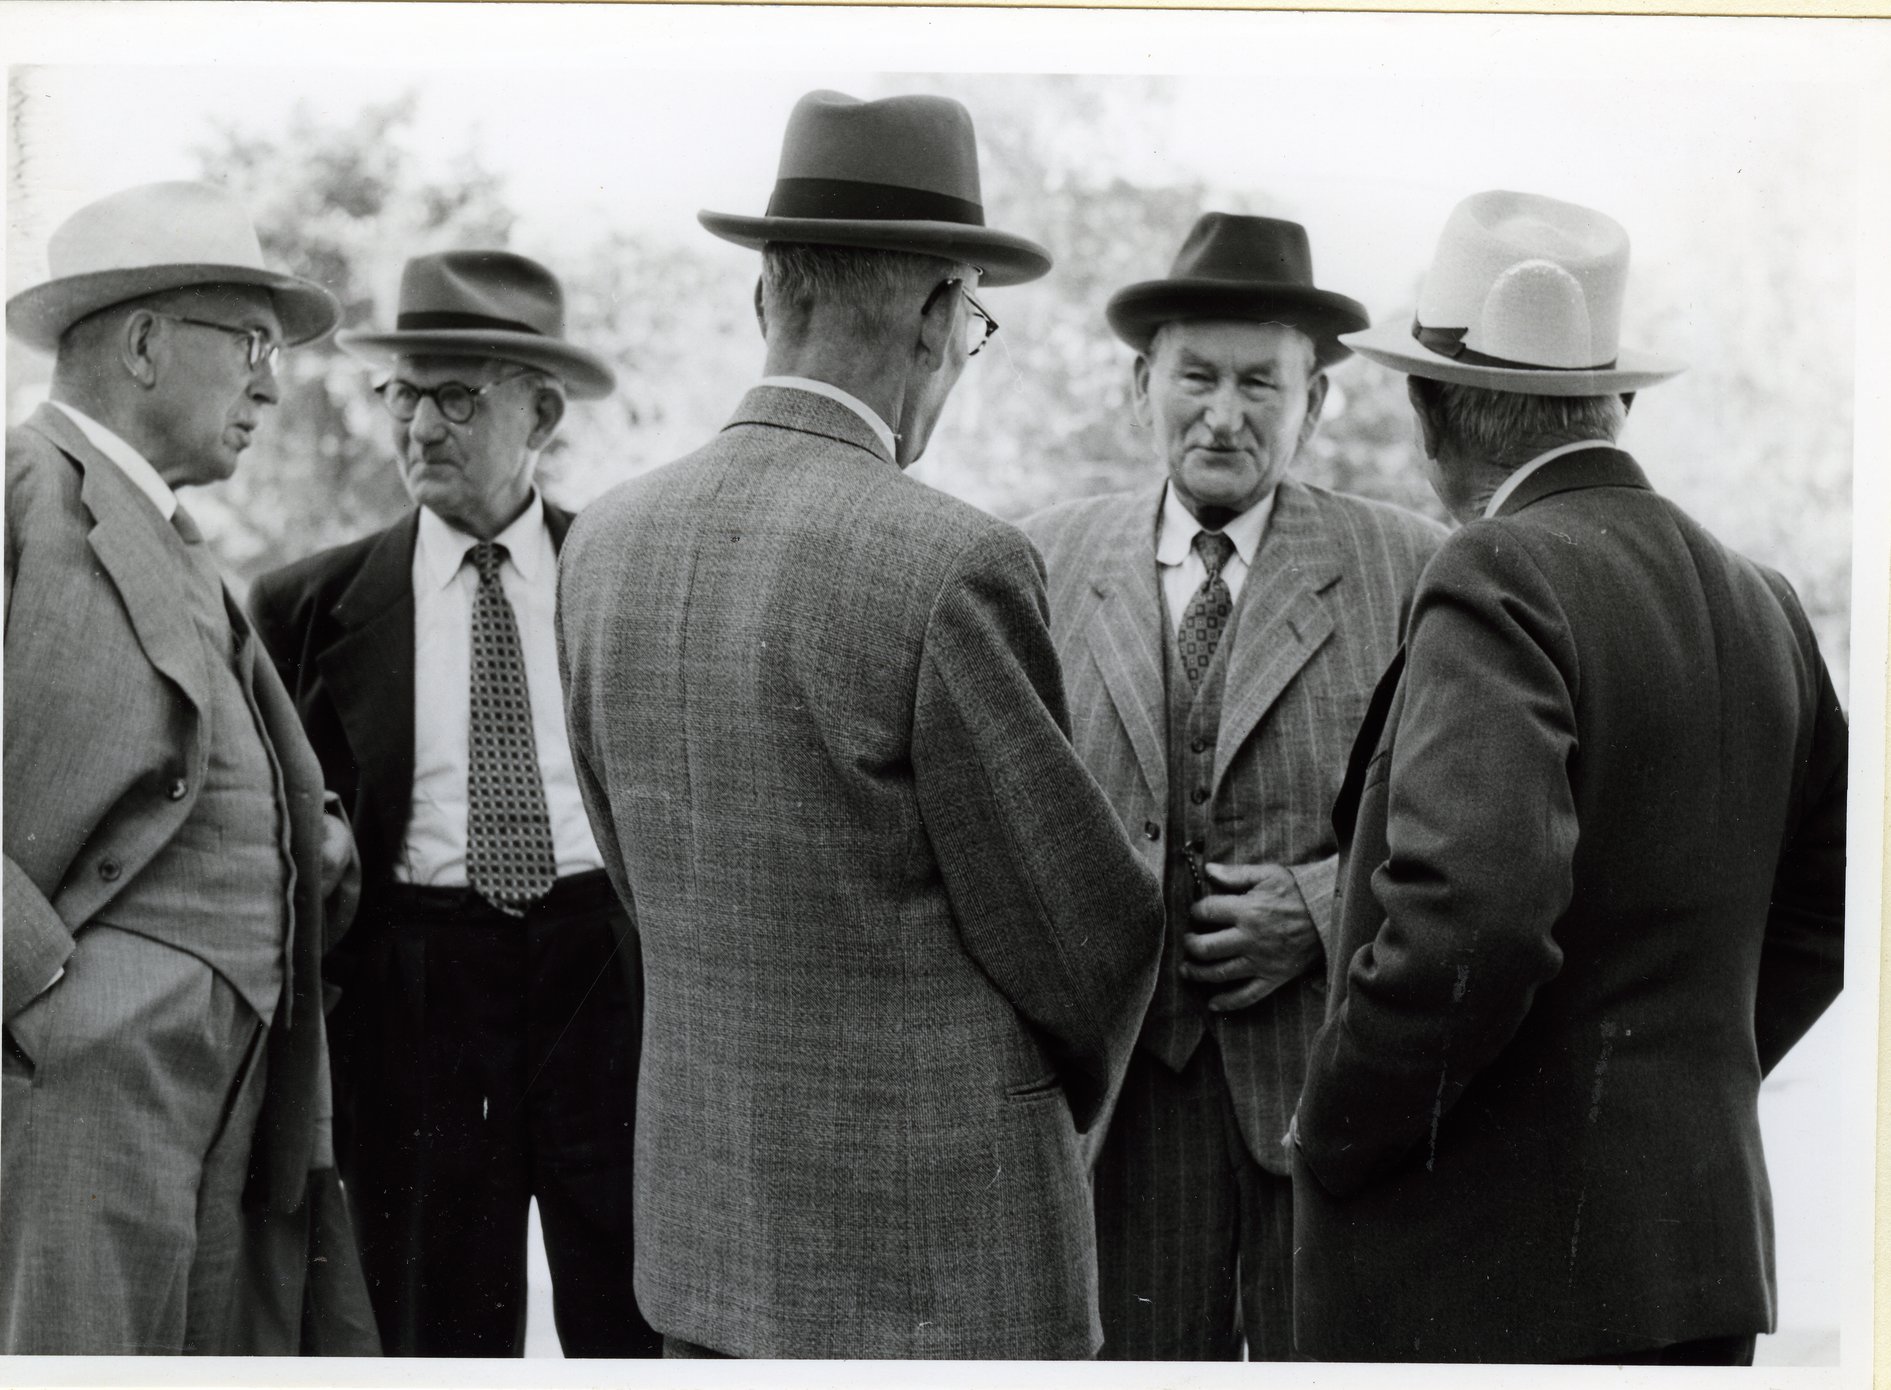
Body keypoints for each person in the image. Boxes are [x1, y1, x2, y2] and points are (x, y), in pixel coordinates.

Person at [556, 89, 1164, 1359]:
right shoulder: (949, 561)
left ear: (766, 291)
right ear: (942, 314)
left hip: (708, 1248)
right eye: (971, 321)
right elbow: (1083, 931)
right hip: (937, 1264)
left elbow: (633, 865)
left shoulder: (602, 541)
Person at [1291, 189, 1848, 1364]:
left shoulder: (1493, 570)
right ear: (1616, 398)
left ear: (1427, 408)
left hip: (1488, 1278)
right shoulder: (1765, 602)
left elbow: (1468, 917)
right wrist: (1665, 1088)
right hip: (1693, 1267)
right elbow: (1835, 904)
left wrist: (1336, 1122)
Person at [1020, 212, 1444, 1360]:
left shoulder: (1412, 568)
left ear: (1315, 403)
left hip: (1323, 1090)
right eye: (1194, 374)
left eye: (1263, 383)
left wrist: (1315, 906)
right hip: (1123, 1098)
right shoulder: (1036, 561)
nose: (1223, 411)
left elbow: (1456, 822)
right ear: (1137, 383)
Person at [248, 250, 657, 1358]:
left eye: (458, 397)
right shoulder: (304, 606)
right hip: (415, 990)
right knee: (432, 1327)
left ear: (544, 411)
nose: (421, 427)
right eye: (405, 396)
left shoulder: (622, 573)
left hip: (603, 977)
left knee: (638, 1321)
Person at [2, 181, 372, 1354]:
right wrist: (49, 998)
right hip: (84, 1082)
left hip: (224, 1095)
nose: (273, 381)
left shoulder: (164, 527)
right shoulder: (22, 491)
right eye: (251, 343)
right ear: (148, 342)